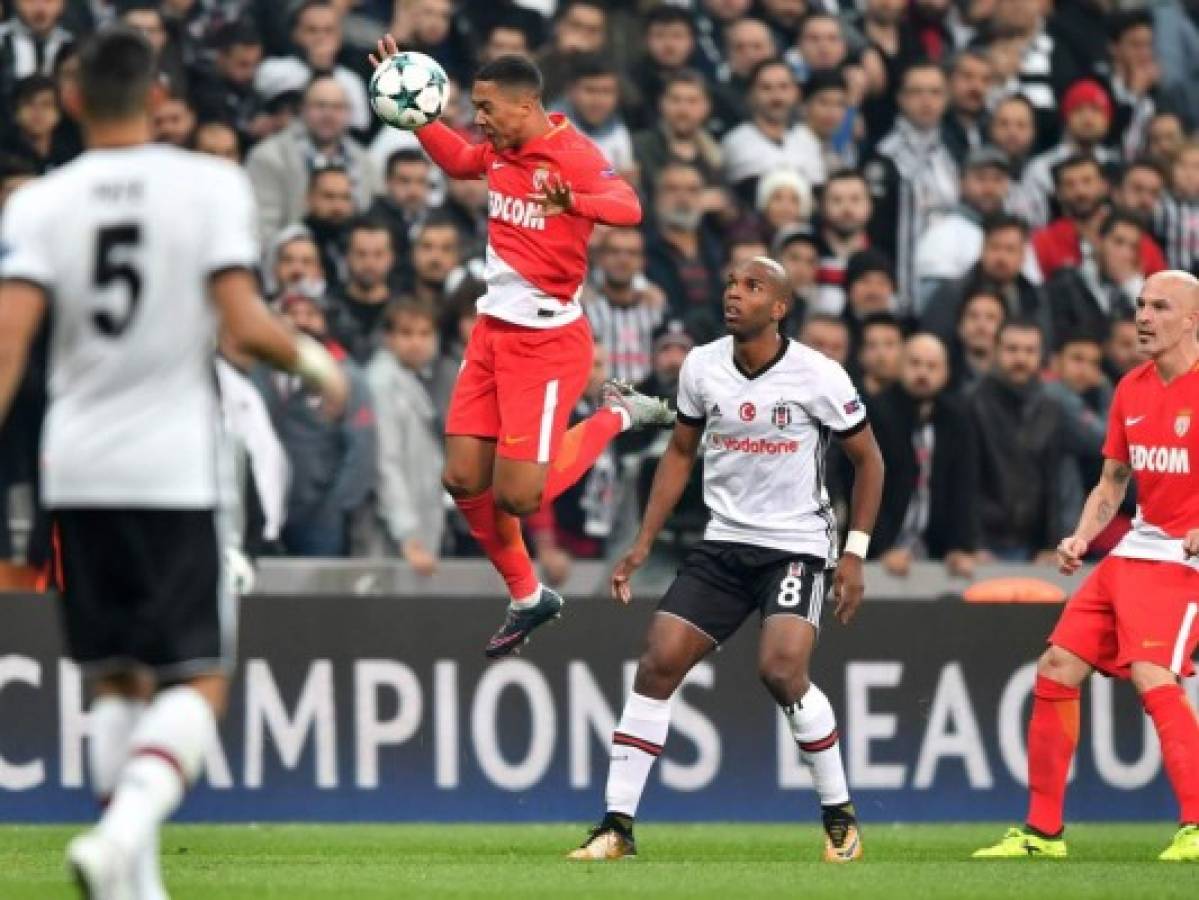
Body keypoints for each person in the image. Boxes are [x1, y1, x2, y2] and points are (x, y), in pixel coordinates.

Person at [0, 27, 347, 898]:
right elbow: (243, 323)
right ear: (157, 97)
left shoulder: (38, 204)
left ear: (74, 101)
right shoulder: (208, 185)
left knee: (116, 677)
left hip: (75, 469)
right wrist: (313, 362)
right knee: (198, 682)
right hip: (172, 470)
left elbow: (7, 349)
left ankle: (134, 886)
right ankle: (119, 834)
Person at [568, 257, 884, 863]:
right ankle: (616, 828)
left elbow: (870, 462)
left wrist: (855, 554)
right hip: (723, 542)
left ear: (780, 307)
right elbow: (680, 454)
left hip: (795, 546)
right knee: (657, 662)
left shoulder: (819, 375)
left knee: (782, 670)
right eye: (732, 282)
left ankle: (839, 817)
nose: (734, 293)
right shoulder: (702, 366)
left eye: (752, 287)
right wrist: (641, 543)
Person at [371, 40, 673, 657]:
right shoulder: (501, 154)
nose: (478, 118)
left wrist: (574, 202)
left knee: (518, 496)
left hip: (547, 343)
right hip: (491, 335)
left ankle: (619, 413)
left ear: (526, 104)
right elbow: (457, 161)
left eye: (485, 107)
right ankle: (528, 595)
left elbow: (629, 206)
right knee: (460, 479)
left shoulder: (573, 154)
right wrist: (414, 105)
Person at [973, 271, 1199, 862]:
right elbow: (1113, 482)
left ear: (1192, 321)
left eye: (1160, 307)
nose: (1143, 317)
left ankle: (1197, 826)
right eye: (1140, 305)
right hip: (1138, 549)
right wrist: (1080, 536)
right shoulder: (1131, 387)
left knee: (1153, 672)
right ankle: (1043, 834)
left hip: (1187, 561)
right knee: (1056, 665)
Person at [867, 333, 977, 577]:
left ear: (946, 373)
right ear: (899, 366)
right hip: (876, 553)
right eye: (914, 364)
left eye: (932, 366)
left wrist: (959, 547)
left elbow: (963, 488)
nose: (923, 373)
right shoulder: (875, 414)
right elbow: (863, 489)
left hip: (936, 554)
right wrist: (883, 548)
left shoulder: (957, 420)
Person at [367, 298, 447, 574]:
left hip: (418, 522)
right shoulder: (382, 382)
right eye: (406, 333)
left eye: (425, 334)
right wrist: (408, 535)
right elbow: (385, 462)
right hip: (392, 532)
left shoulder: (414, 379)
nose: (417, 342)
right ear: (388, 338)